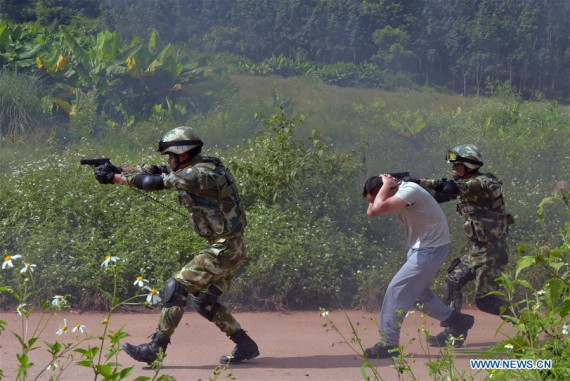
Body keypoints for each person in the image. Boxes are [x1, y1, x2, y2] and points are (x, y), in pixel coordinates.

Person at [93, 126, 259, 365]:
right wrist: (119, 169)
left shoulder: (199, 175)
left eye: (171, 155)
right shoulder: (206, 165)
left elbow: (153, 181)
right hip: (232, 246)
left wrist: (114, 178)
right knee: (204, 302)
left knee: (176, 287)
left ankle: (155, 349)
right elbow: (157, 171)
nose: (168, 160)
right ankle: (246, 345)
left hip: (225, 248)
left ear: (182, 154)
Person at [406, 144, 514, 347]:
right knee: (452, 282)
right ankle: (455, 332)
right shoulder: (466, 184)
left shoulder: (484, 183)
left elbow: (449, 188)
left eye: (458, 166)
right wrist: (407, 192)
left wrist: (419, 181)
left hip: (493, 250)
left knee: (486, 300)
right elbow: (439, 196)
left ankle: (528, 323)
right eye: (453, 166)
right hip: (478, 250)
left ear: (469, 165)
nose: (454, 170)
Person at [362, 174, 474, 358]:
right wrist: (384, 187)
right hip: (421, 248)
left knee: (396, 289)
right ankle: (457, 320)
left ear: (391, 187)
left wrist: (386, 184)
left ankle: (388, 344)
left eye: (380, 194)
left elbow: (378, 207)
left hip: (430, 249)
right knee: (417, 295)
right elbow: (372, 211)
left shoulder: (409, 190)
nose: (377, 201)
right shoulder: (395, 191)